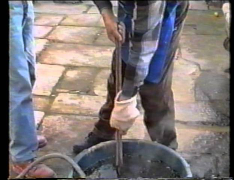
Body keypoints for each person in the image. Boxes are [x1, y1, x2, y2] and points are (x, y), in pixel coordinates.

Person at [73, 0, 189, 154]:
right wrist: (107, 13)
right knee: (119, 76)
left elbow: (143, 51)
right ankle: (104, 133)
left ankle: (166, 147)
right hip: (136, 11)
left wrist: (126, 100)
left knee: (153, 87)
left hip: (166, 13)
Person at [9, 1, 56, 178]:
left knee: (27, 72)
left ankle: (20, 135)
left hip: (21, 4)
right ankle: (22, 157)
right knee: (17, 83)